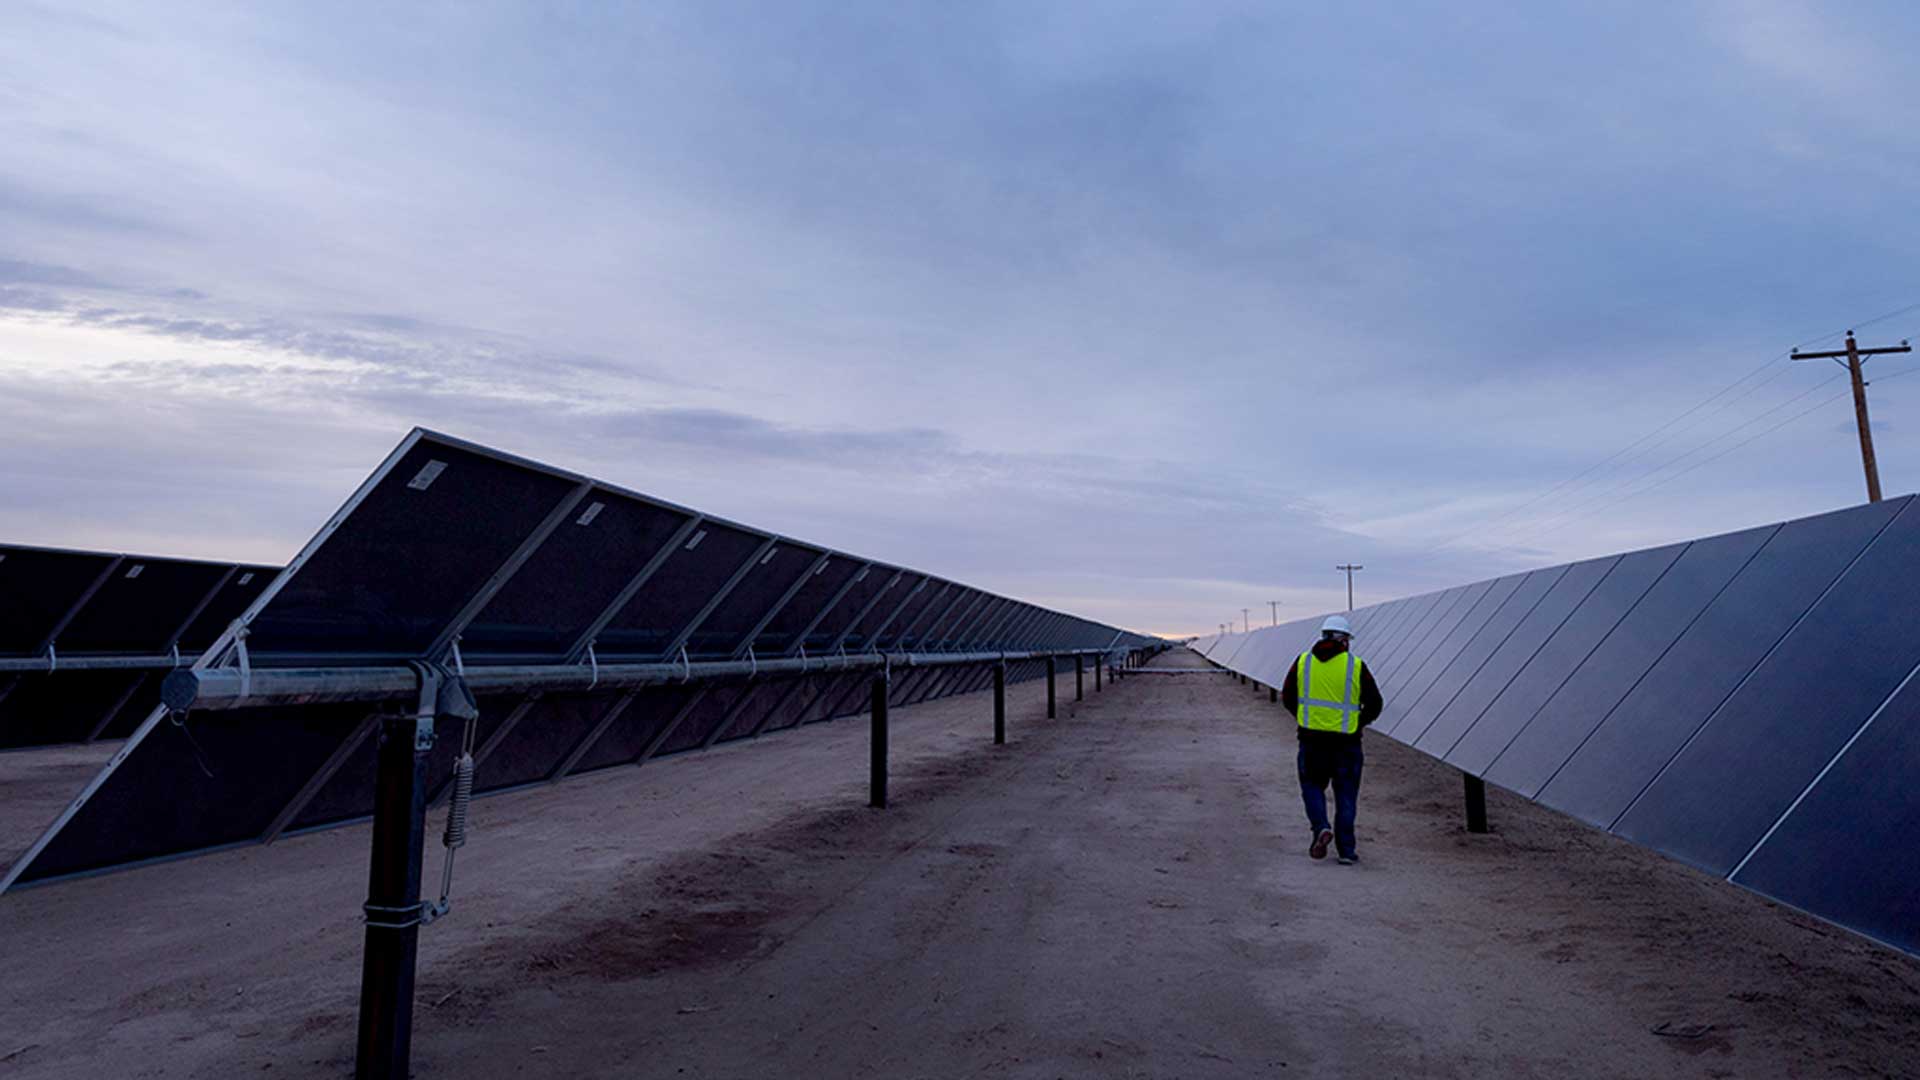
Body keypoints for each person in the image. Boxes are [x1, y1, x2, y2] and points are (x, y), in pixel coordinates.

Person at [1280, 614, 1383, 865]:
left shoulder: (1303, 662)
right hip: (1347, 744)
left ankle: (1321, 828)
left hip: (1311, 742)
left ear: (1323, 636)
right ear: (1344, 640)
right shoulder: (1356, 666)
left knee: (1312, 787)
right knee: (1346, 795)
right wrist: (1357, 723)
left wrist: (1305, 718)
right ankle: (1346, 851)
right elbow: (1375, 704)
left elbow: (1288, 696)